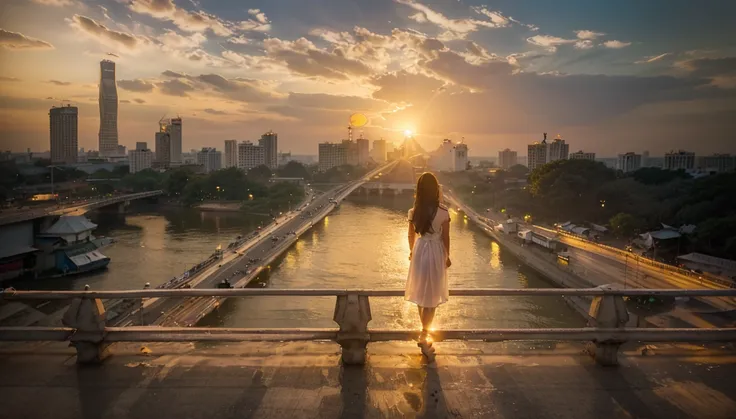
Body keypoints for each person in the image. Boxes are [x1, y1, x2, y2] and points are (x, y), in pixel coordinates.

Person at [405, 172, 451, 359]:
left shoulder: (413, 211)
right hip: (435, 252)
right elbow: (446, 237)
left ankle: (424, 333)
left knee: (420, 293)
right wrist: (447, 256)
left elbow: (410, 236)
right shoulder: (443, 211)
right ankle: (424, 336)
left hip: (419, 250)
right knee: (431, 297)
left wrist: (412, 251)